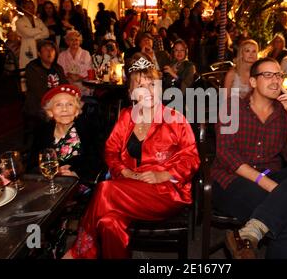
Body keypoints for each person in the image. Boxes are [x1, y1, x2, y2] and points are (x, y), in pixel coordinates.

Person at [64, 53, 200, 258]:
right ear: (131, 93)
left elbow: (192, 159)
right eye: (141, 86)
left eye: (153, 84)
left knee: (104, 189)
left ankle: (78, 251)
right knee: (109, 223)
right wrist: (124, 171)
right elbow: (110, 151)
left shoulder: (175, 119)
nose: (149, 92)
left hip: (165, 192)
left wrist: (164, 174)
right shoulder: (127, 117)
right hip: (127, 188)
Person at [212, 57, 287, 259]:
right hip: (232, 181)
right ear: (253, 82)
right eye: (268, 75)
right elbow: (226, 154)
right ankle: (252, 231)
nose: (275, 80)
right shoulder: (232, 106)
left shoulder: (282, 113)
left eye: (278, 75)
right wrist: (268, 185)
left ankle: (252, 231)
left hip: (271, 177)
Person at [29, 84, 107, 185]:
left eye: (70, 104)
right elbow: (33, 163)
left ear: (77, 111)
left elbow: (98, 160)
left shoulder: (89, 129)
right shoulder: (42, 131)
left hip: (80, 183)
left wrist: (76, 174)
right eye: (58, 105)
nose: (64, 109)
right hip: (49, 182)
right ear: (50, 112)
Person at [16, 0, 49, 91]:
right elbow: (27, 33)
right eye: (28, 7)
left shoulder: (38, 21)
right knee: (28, 69)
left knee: (41, 70)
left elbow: (46, 33)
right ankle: (28, 92)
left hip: (40, 49)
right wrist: (39, 30)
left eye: (32, 7)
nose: (30, 9)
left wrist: (34, 32)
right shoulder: (19, 22)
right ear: (23, 9)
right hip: (27, 48)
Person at [57, 30, 93, 96]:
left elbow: (88, 69)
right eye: (71, 40)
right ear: (67, 42)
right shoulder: (62, 55)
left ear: (80, 41)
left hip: (83, 84)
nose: (74, 42)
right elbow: (60, 71)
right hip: (68, 84)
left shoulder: (86, 53)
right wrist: (69, 75)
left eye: (76, 40)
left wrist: (78, 77)